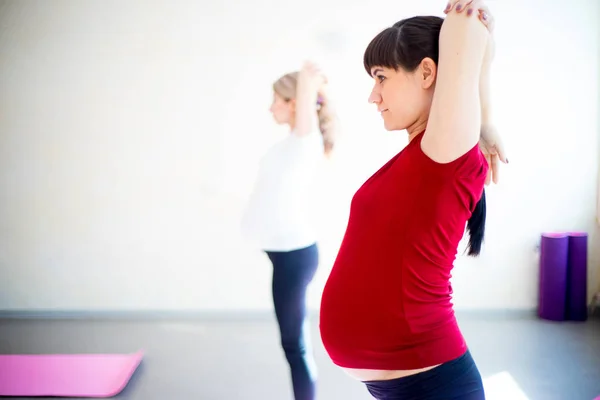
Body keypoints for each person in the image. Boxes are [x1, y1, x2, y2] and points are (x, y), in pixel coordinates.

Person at [319, 1, 507, 399]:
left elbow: (464, 23)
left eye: (381, 77)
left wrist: (470, 18)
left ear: (426, 72)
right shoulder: (429, 153)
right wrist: (486, 119)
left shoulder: (444, 151)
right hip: (404, 385)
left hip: (432, 386)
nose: (373, 95)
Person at [241, 62, 338, 400]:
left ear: (295, 104)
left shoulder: (304, 140)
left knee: (294, 346)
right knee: (292, 344)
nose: (270, 107)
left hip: (294, 257)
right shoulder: (290, 144)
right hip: (285, 255)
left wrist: (308, 79)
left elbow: (306, 102)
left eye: (276, 100)